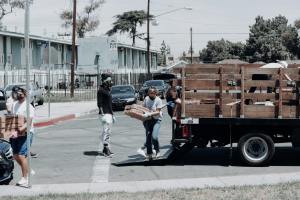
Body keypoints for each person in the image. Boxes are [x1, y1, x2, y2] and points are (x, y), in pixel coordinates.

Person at [10, 86, 35, 187]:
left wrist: (19, 131)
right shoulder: (14, 105)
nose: (19, 96)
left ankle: (25, 178)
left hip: (27, 133)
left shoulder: (29, 107)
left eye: (21, 94)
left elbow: (28, 123)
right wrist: (10, 131)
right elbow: (12, 119)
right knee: (15, 155)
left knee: (21, 155)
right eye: (18, 94)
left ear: (25, 94)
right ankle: (28, 169)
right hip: (15, 133)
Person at [142, 87, 163, 160]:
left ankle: (157, 151)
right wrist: (143, 114)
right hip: (148, 120)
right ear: (148, 93)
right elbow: (143, 108)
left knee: (154, 137)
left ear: (156, 93)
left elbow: (157, 111)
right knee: (148, 137)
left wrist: (150, 114)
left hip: (156, 120)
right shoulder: (146, 99)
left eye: (153, 93)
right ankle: (149, 153)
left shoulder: (158, 100)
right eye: (150, 93)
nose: (152, 94)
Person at [97, 74, 115, 157]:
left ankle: (105, 149)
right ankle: (106, 149)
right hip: (105, 114)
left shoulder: (107, 90)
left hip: (109, 113)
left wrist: (112, 114)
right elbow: (99, 103)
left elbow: (109, 104)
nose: (111, 82)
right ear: (105, 81)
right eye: (109, 81)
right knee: (106, 132)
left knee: (108, 132)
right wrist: (102, 114)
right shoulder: (100, 90)